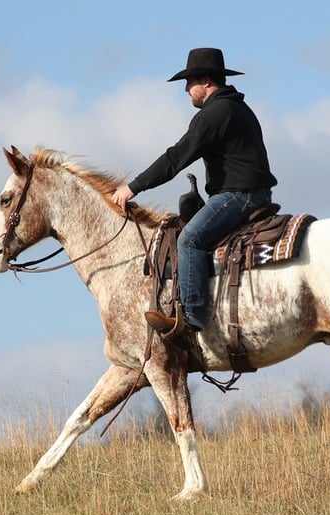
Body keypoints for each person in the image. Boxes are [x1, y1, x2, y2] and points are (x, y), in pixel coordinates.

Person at [112, 47, 277, 335]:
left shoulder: (215, 113)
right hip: (252, 193)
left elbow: (176, 157)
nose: (186, 90)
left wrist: (133, 187)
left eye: (189, 83)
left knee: (189, 241)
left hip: (239, 195)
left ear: (207, 82)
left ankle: (191, 319)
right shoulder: (235, 107)